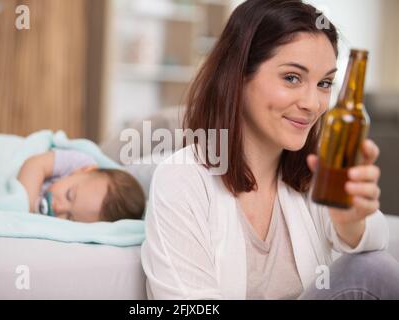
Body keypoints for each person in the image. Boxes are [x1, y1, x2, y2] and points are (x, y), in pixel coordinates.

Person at [140, 0, 399, 299]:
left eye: (325, 83)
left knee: (373, 267)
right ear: (239, 76)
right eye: (292, 78)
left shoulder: (314, 175)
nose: (313, 103)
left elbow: (374, 246)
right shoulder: (182, 178)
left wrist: (351, 222)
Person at [17, 148, 145, 223]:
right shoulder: (79, 163)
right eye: (69, 195)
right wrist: (27, 212)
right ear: (84, 170)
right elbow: (34, 165)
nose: (59, 208)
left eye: (69, 218)